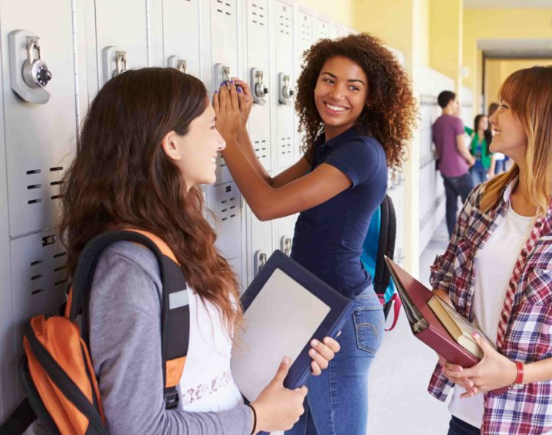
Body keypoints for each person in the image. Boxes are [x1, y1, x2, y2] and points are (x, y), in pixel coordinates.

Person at [59, 67, 340, 435]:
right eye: (211, 127)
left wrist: (289, 355)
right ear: (171, 144)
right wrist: (256, 419)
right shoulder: (130, 266)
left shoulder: (180, 236)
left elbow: (205, 366)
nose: (222, 144)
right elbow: (137, 428)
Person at [212, 33, 418, 435]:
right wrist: (238, 132)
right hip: (313, 308)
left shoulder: (360, 151)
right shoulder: (329, 144)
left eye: (353, 86)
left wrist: (223, 132)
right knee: (293, 426)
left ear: (372, 98)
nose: (337, 93)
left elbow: (266, 206)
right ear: (313, 84)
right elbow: (269, 186)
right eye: (328, 80)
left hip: (343, 316)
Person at [429, 66, 552, 435]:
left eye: (506, 107)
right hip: (469, 413)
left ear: (541, 120)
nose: (493, 117)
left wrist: (516, 373)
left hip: (543, 419)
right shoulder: (482, 200)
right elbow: (444, 283)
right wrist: (449, 346)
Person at [433, 90, 475, 236]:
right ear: (450, 102)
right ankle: (471, 237)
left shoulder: (437, 123)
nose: (458, 105)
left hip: (445, 171)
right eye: (456, 102)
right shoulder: (456, 121)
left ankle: (452, 238)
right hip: (459, 170)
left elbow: (439, 149)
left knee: (451, 206)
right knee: (472, 206)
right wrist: (471, 159)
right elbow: (461, 146)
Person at [464, 114, 492, 186]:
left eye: (486, 122)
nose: (485, 124)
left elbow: (492, 155)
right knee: (475, 188)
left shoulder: (489, 136)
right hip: (474, 167)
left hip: (485, 167)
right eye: (483, 121)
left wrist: (491, 169)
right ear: (477, 123)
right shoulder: (473, 134)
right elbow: (462, 127)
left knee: (485, 190)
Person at [487, 102, 507, 177]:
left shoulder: (501, 123)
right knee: (490, 176)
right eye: (497, 110)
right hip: (490, 155)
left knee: (496, 176)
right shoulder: (488, 124)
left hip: (499, 155)